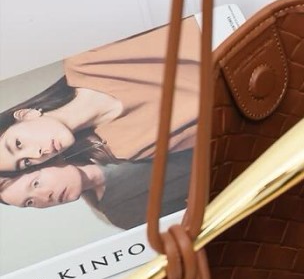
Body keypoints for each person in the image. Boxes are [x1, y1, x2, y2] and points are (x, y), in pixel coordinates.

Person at [0, 16, 201, 173]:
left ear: (26, 114)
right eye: (26, 162)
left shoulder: (85, 59)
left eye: (18, 144)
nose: (37, 155)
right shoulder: (126, 147)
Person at [0, 149, 193, 230]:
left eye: (36, 184)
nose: (46, 197)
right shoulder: (123, 213)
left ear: (49, 161)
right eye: (30, 202)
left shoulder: (106, 136)